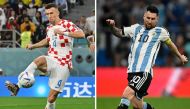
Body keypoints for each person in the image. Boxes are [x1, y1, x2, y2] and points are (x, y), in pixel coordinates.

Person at [106, 5, 188, 109]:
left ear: (157, 19)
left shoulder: (160, 32)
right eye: (148, 18)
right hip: (132, 71)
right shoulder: (135, 28)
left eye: (153, 19)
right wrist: (112, 26)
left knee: (126, 95)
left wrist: (180, 56)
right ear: (144, 16)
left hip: (144, 72)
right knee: (138, 105)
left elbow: (170, 44)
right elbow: (118, 33)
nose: (150, 21)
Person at [5, 3, 85, 109]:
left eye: (51, 13)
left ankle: (48, 107)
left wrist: (63, 32)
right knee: (39, 60)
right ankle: (17, 86)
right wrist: (34, 46)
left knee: (52, 97)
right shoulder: (49, 28)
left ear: (58, 13)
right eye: (47, 14)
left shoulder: (67, 24)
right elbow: (47, 40)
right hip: (52, 58)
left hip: (64, 63)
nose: (49, 16)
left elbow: (81, 34)